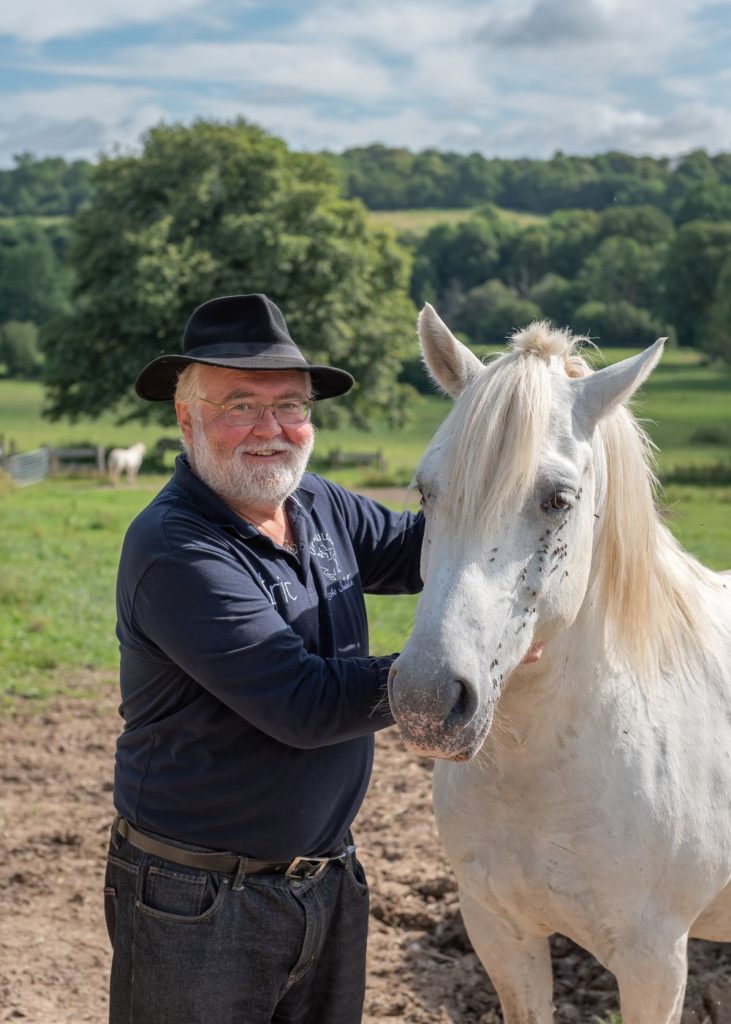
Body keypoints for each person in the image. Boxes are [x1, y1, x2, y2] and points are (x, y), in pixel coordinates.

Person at [104, 293, 424, 1024]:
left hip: (328, 880)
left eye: (290, 406)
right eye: (240, 405)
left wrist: (519, 503)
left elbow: (419, 550)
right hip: (196, 900)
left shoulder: (316, 504)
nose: (271, 430)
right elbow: (301, 704)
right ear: (186, 419)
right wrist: (445, 671)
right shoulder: (176, 548)